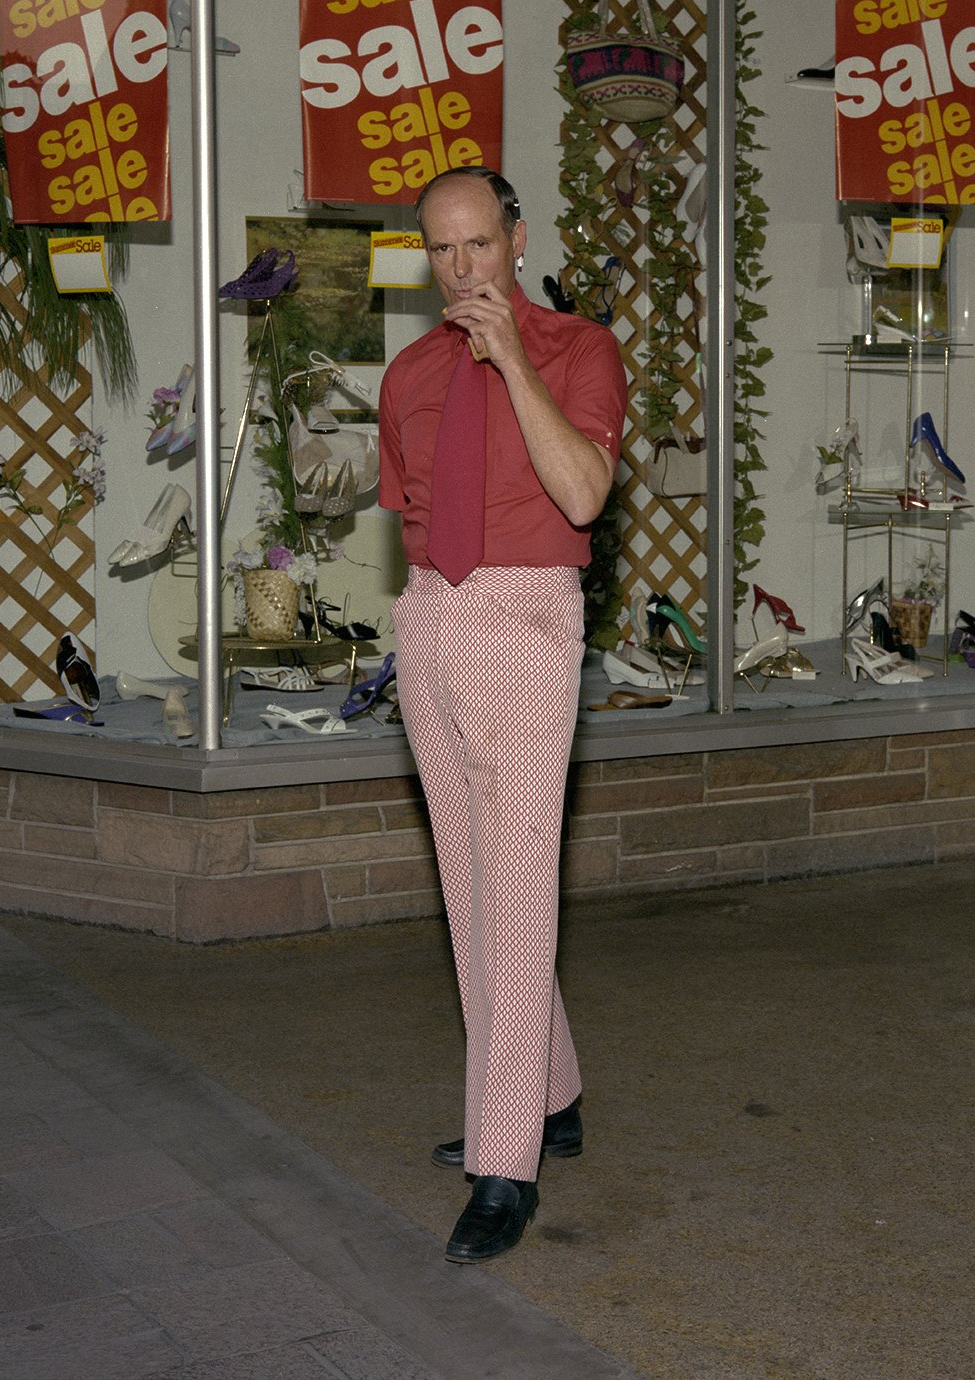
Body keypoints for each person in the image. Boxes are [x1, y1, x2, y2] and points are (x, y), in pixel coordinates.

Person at [377, 166, 627, 1263]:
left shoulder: (578, 350)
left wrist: (512, 356)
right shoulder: (409, 372)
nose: (461, 267)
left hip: (528, 618)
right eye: (441, 249)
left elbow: (581, 493)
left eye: (479, 243)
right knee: (471, 887)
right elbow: (412, 515)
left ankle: (504, 1163)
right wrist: (423, 622)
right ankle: (548, 1094)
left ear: (517, 240)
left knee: (519, 889)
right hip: (434, 618)